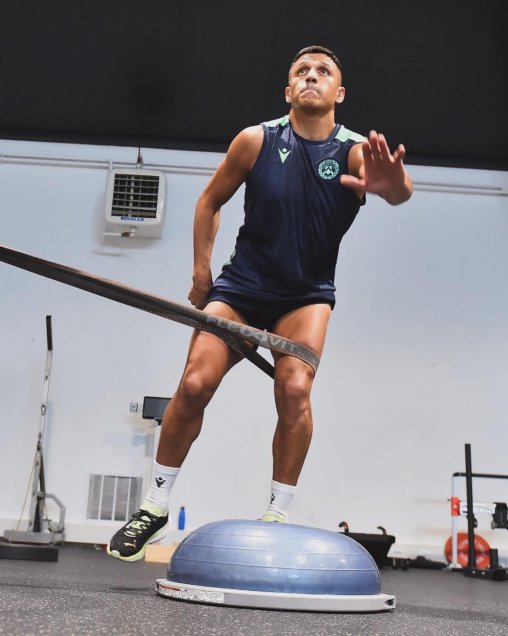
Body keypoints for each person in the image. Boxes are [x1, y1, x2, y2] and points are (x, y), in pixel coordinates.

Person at [107, 45, 413, 561]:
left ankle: (276, 514)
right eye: (301, 71)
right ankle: (154, 506)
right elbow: (210, 201)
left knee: (294, 390)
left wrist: (393, 185)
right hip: (241, 289)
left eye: (323, 72)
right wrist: (201, 274)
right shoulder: (255, 140)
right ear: (287, 89)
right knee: (194, 383)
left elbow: (400, 191)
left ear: (339, 93)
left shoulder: (356, 151)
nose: (311, 76)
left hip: (306, 296)